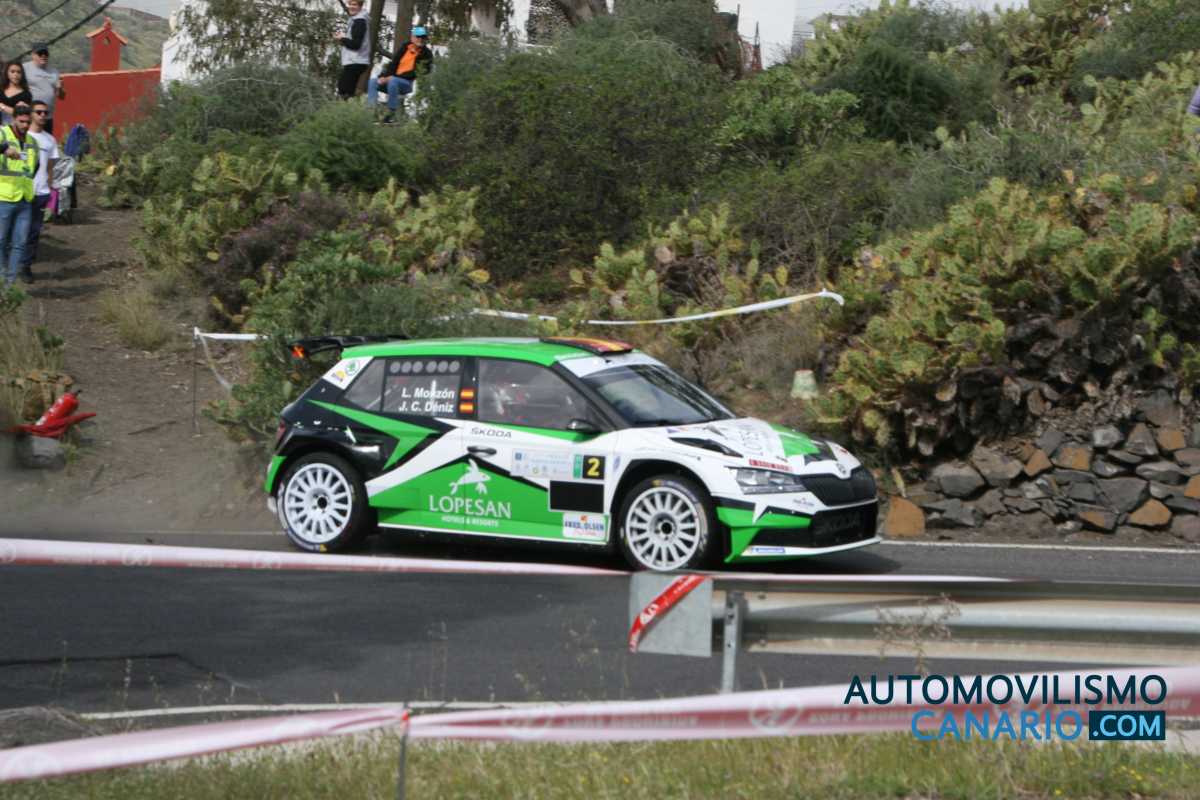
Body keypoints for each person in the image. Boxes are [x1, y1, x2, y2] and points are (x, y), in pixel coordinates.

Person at [0, 105, 37, 286]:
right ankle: (1, 280)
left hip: (25, 199)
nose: (25, 125)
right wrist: (3, 149)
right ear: (14, 119)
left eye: (28, 122)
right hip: (4, 197)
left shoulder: (32, 141)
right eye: (21, 121)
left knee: (19, 244)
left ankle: (9, 286)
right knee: (0, 241)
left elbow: (33, 168)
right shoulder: (3, 134)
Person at [367, 26, 433, 123]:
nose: (420, 39)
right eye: (418, 36)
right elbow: (394, 63)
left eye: (423, 37)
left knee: (393, 81)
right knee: (373, 81)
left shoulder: (427, 54)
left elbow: (417, 72)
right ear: (412, 37)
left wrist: (392, 77)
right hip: (393, 79)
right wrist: (383, 77)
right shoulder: (405, 47)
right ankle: (371, 113)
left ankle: (390, 114)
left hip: (407, 83)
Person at [22, 100, 57, 282]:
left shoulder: (50, 140)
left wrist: (50, 189)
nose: (43, 115)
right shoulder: (21, 136)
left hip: (41, 192)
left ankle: (25, 266)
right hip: (19, 191)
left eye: (45, 112)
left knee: (33, 232)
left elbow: (50, 167)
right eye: (39, 112)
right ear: (31, 114)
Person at [23, 44, 66, 136]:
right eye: (40, 53)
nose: (43, 56)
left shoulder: (54, 72)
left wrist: (60, 88)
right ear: (33, 55)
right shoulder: (25, 68)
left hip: (47, 116)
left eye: (46, 53)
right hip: (31, 115)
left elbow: (62, 96)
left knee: (46, 140)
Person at [334, 0, 371, 99]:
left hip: (356, 61)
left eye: (354, 4)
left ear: (360, 6)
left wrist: (342, 38)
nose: (351, 6)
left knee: (344, 90)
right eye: (350, 4)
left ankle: (347, 106)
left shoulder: (359, 22)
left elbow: (356, 45)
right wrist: (343, 38)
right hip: (356, 61)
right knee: (346, 90)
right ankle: (349, 104)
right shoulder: (358, 20)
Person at [1, 61, 33, 126]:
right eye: (12, 71)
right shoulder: (1, 89)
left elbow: (22, 115)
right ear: (7, 73)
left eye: (18, 72)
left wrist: (2, 107)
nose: (16, 74)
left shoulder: (26, 94)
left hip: (14, 127)